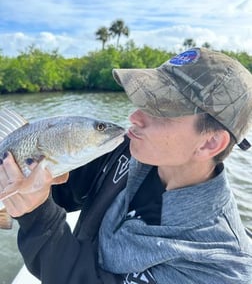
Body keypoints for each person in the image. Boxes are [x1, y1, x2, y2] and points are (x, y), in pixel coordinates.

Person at [0, 47, 252, 284]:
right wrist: (27, 180)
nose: (134, 117)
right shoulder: (132, 151)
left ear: (210, 143)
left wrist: (37, 215)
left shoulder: (217, 268)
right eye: (145, 99)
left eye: (162, 108)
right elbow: (62, 190)